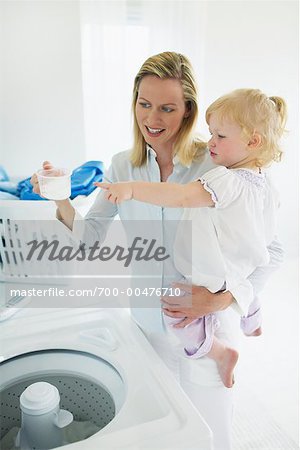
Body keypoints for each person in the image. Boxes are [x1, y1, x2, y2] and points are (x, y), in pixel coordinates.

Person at [31, 52, 283, 450]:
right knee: (165, 433)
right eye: (144, 104)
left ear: (187, 111)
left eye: (168, 107)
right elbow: (88, 236)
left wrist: (221, 300)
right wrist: (59, 198)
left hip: (210, 322)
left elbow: (272, 248)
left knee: (213, 431)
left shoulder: (217, 163)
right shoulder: (121, 166)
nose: (153, 118)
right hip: (148, 323)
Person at [96, 88, 286, 389]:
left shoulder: (220, 173)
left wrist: (131, 189)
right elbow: (262, 242)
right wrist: (60, 199)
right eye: (144, 104)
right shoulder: (259, 179)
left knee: (176, 313)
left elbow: (182, 196)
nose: (212, 141)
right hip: (232, 273)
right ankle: (252, 319)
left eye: (220, 136)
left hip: (211, 285)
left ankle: (220, 353)